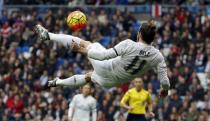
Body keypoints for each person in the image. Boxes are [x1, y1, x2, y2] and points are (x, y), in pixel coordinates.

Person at [34, 20, 170, 97]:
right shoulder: (157, 56)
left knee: (88, 44)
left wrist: (82, 50)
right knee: (88, 77)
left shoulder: (129, 44)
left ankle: (48, 36)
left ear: (139, 34)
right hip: (111, 83)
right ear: (153, 38)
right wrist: (164, 90)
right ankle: (57, 83)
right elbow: (165, 81)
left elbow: (103, 56)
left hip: (106, 67)